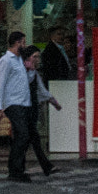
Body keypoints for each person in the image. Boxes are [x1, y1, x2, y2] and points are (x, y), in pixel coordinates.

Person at [0, 32, 35, 183]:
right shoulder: (6, 61)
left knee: (21, 136)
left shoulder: (19, 60)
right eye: (23, 42)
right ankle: (14, 169)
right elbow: (0, 84)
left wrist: (31, 69)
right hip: (13, 103)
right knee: (23, 135)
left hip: (24, 102)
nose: (24, 46)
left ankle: (18, 169)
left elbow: (26, 81)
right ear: (17, 43)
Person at [23, 48, 60, 177]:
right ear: (27, 58)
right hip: (23, 108)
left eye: (38, 57)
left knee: (28, 138)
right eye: (35, 57)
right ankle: (46, 166)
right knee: (32, 138)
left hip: (32, 108)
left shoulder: (35, 73)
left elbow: (42, 90)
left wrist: (53, 101)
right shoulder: (22, 72)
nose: (37, 60)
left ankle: (19, 166)